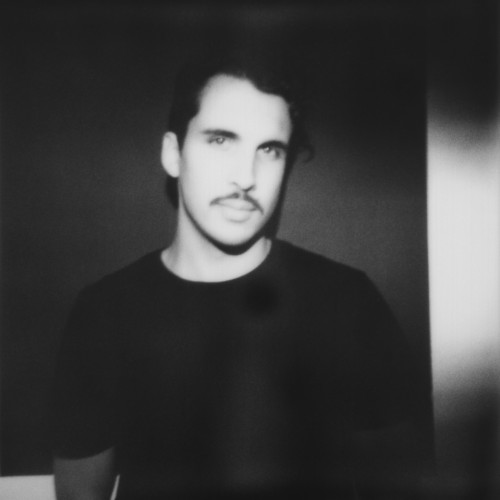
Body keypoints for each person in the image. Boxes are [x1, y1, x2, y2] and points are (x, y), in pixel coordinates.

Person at [52, 52, 423, 500]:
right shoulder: (105, 313)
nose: (246, 177)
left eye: (269, 150)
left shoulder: (346, 301)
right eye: (220, 140)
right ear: (173, 153)